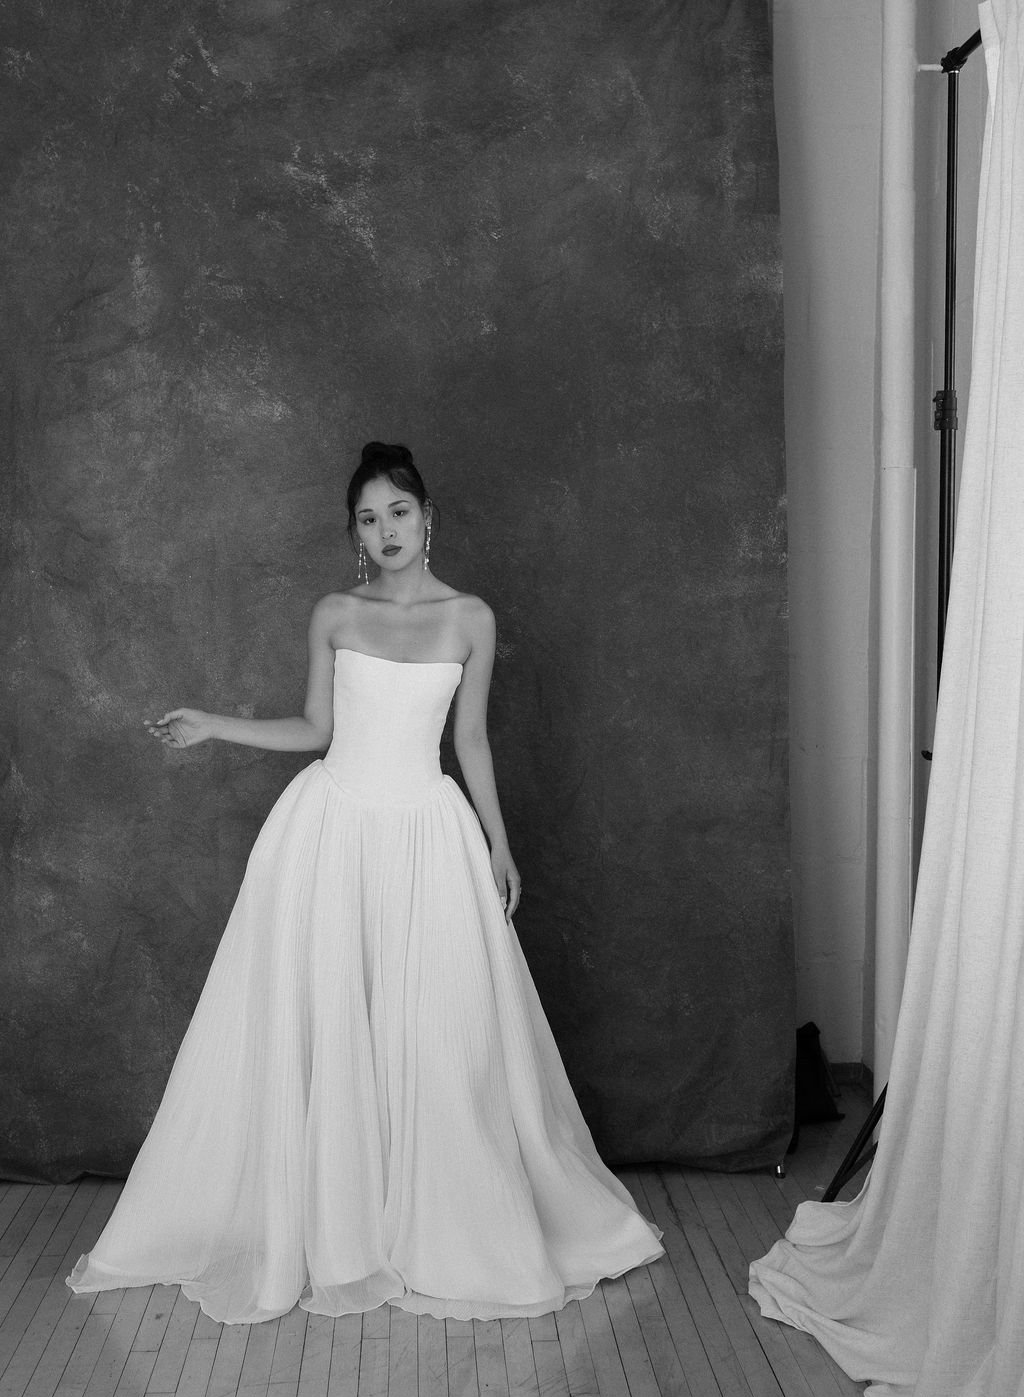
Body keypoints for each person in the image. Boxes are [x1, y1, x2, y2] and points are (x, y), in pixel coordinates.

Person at [67, 442, 663, 1324]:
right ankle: (338, 1223)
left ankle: (437, 1226)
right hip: (331, 832)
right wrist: (212, 726)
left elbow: (470, 741)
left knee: (438, 1034)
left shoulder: (471, 618)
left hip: (428, 835)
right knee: (328, 1022)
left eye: (399, 512)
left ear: (428, 518)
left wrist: (499, 845)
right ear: (355, 533)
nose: (385, 531)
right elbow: (317, 729)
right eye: (368, 518)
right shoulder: (336, 613)